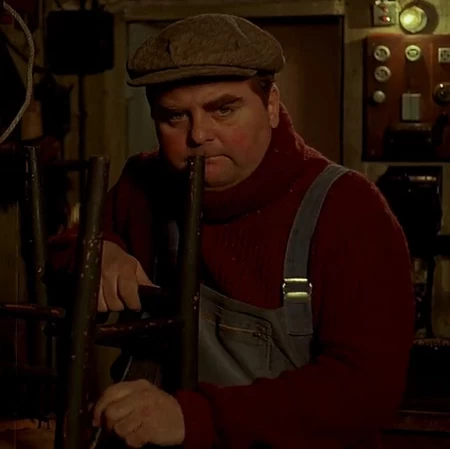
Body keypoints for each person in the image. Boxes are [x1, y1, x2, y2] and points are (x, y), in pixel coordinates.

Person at [50, 13, 415, 449]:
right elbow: (58, 254)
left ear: (272, 104)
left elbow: (365, 391)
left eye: (223, 109)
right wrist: (97, 252)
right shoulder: (145, 184)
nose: (199, 135)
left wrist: (194, 417)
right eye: (174, 117)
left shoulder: (348, 209)